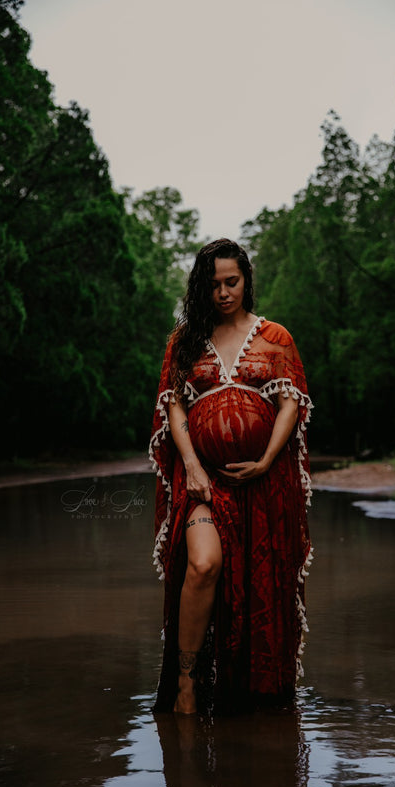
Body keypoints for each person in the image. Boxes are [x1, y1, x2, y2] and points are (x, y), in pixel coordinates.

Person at [149, 238, 313, 715]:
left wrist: (264, 461)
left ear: (246, 281)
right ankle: (185, 683)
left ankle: (250, 696)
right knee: (203, 565)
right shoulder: (184, 341)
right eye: (214, 284)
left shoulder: (275, 338)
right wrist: (194, 467)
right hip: (202, 484)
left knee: (259, 582)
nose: (223, 293)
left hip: (264, 484)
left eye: (232, 282)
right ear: (202, 288)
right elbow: (173, 406)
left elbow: (290, 403)